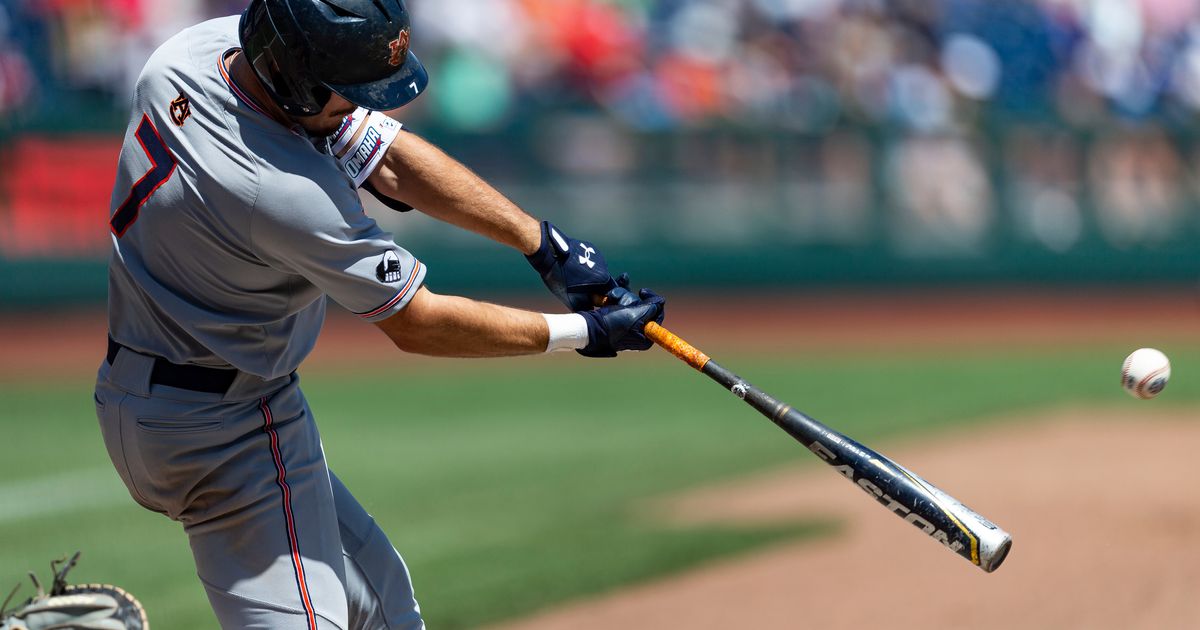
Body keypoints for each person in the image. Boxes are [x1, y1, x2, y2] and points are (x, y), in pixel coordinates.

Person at [92, 1, 666, 628]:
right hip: (227, 430)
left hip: (163, 396)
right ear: (294, 77)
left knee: (385, 610)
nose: (370, 105)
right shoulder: (281, 190)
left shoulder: (198, 54)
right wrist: (582, 333)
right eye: (346, 92)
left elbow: (387, 157)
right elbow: (416, 322)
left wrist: (542, 244)